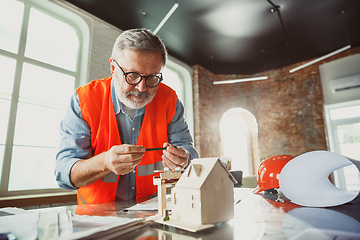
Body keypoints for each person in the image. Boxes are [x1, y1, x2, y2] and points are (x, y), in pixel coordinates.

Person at [55, 28, 199, 205]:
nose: (142, 88)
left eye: (152, 77)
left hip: (151, 213)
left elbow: (189, 153)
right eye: (132, 75)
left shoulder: (170, 100)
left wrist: (184, 159)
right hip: (95, 219)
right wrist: (104, 162)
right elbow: (64, 174)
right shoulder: (84, 100)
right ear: (113, 67)